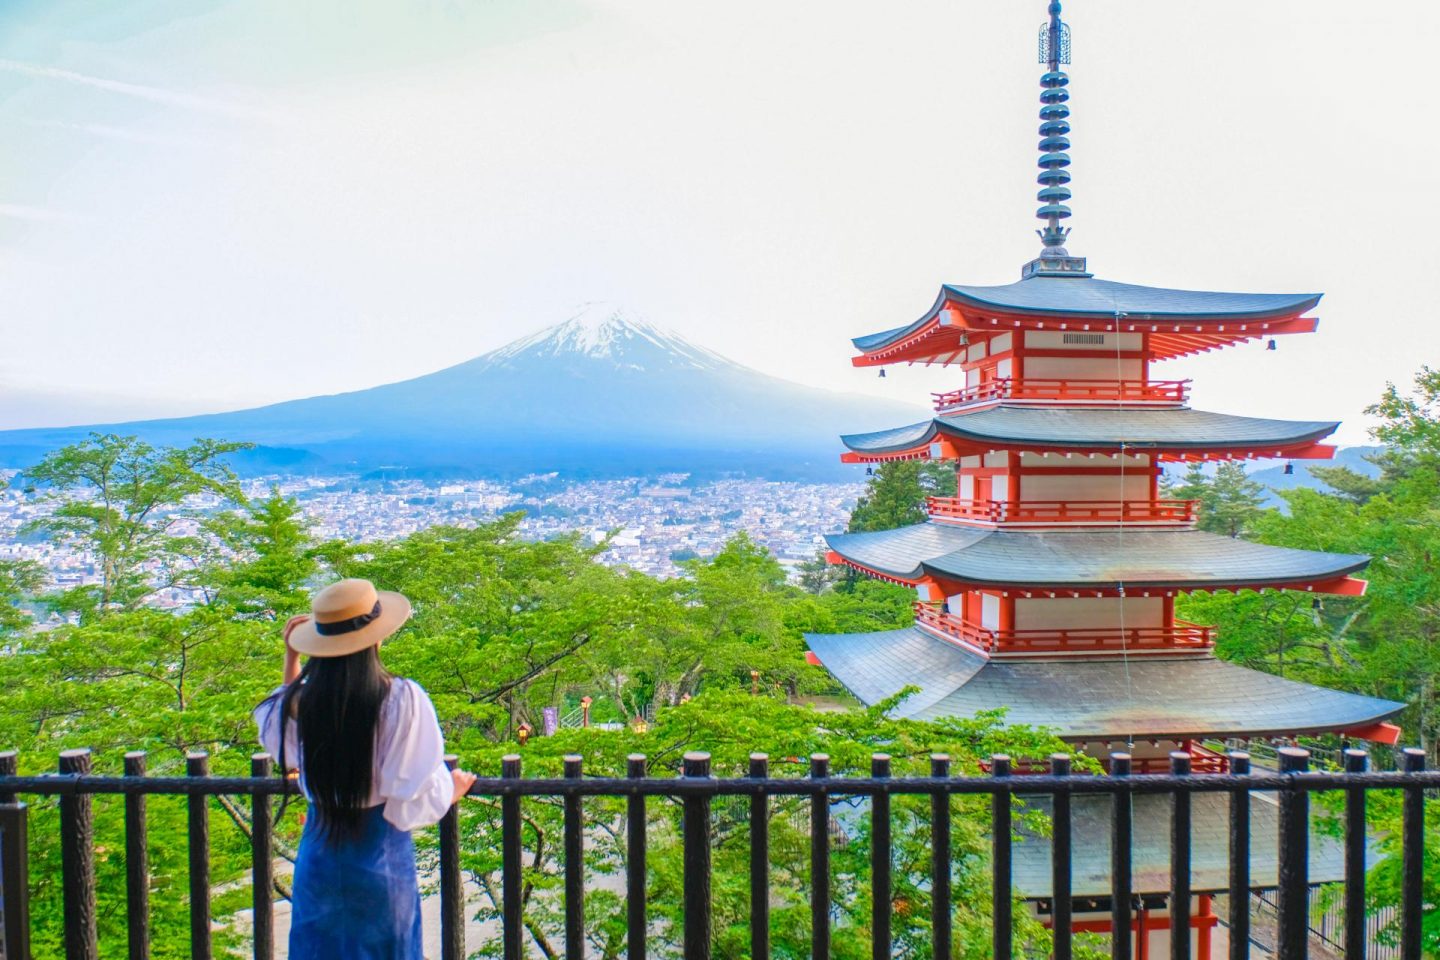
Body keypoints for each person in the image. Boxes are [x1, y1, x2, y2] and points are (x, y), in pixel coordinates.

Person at [254, 578, 477, 959]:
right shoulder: (399, 699)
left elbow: (286, 741)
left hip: (319, 854)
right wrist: (450, 791)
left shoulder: (307, 701)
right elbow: (408, 788)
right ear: (376, 638)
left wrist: (291, 660)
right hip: (380, 856)